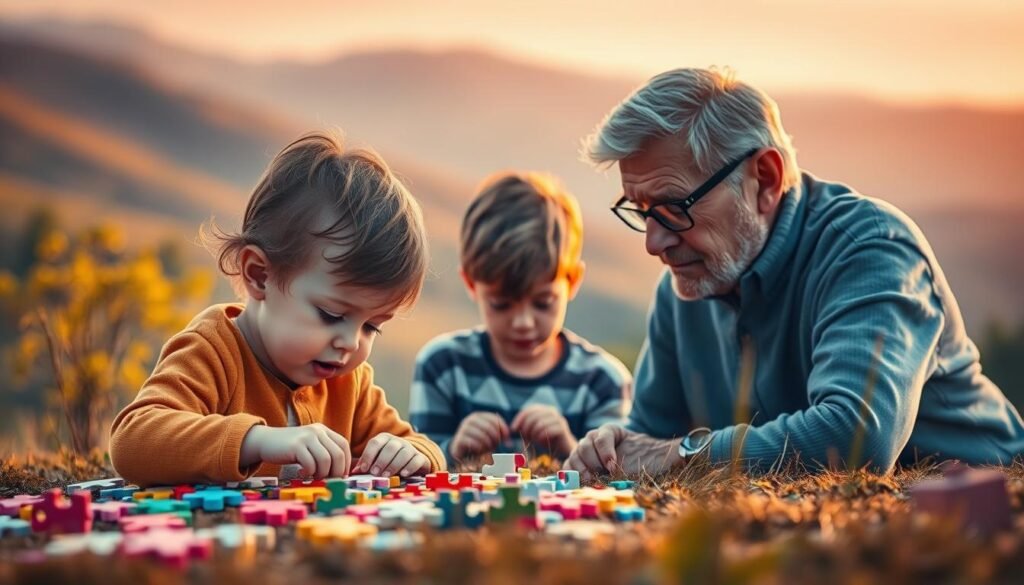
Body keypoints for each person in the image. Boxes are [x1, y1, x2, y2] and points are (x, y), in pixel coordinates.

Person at [565, 67, 1024, 477]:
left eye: (672, 207)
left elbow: (856, 438)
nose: (653, 243)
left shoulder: (870, 249)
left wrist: (685, 453)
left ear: (764, 179)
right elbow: (648, 441)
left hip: (985, 514)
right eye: (642, 210)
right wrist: (612, 450)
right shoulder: (684, 287)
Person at [110, 132, 445, 486]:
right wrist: (257, 440)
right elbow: (133, 441)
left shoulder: (349, 382)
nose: (350, 342)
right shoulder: (212, 350)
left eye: (371, 326)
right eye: (332, 315)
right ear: (259, 275)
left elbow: (422, 447)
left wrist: (411, 453)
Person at [409, 171, 631, 464]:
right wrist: (453, 450)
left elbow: (617, 474)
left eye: (543, 303)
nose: (523, 322)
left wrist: (569, 447)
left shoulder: (604, 382)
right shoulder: (443, 366)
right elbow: (419, 464)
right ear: (471, 284)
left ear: (573, 280)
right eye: (501, 304)